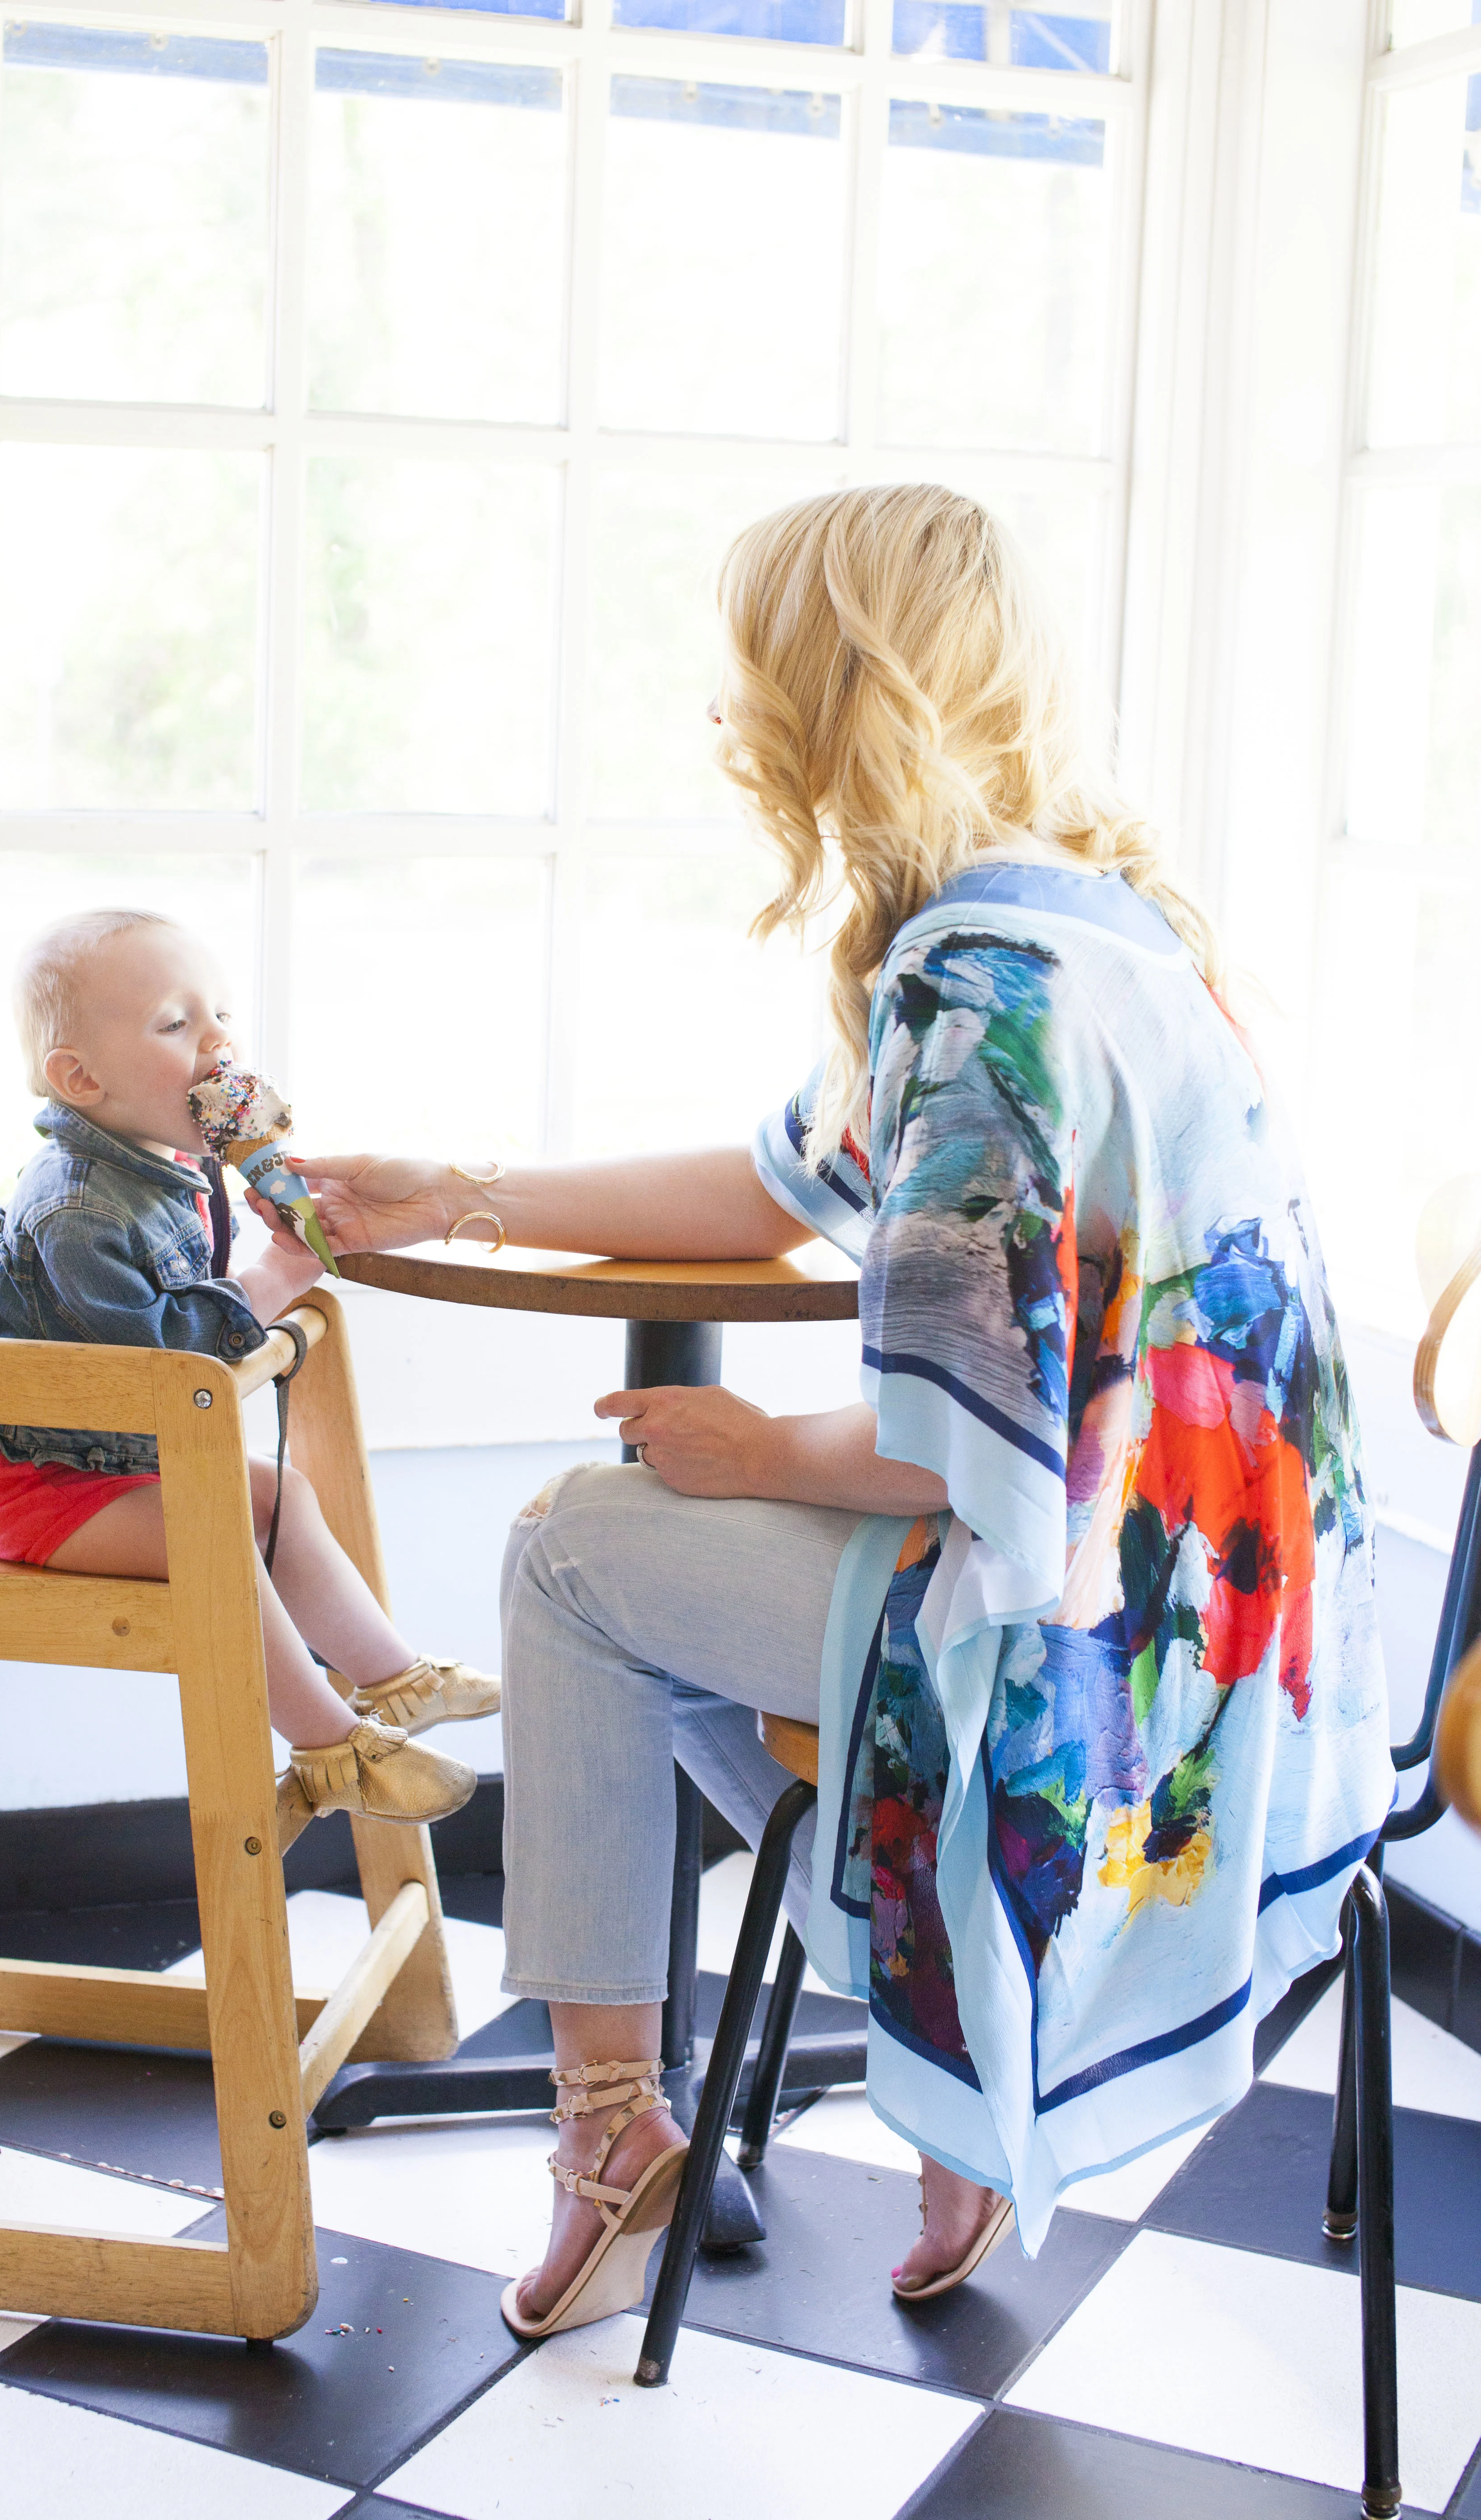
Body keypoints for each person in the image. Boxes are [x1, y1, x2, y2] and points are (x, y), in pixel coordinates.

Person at [283, 484, 1395, 2338]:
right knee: (644, 1586)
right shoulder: (1090, 926)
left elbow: (956, 1444)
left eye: (745, 679)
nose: (724, 722)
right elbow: (772, 1179)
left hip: (1101, 1660)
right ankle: (922, 2049)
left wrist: (755, 1454)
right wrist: (457, 1188)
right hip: (1248, 1644)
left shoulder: (981, 996)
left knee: (575, 1557)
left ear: (832, 692)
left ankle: (616, 2132)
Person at [0, 907, 498, 1842]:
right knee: (218, 1537)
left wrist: (274, 1215)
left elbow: (195, 1303)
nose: (219, 1043)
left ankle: (394, 1681)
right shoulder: (75, 1209)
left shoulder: (168, 1166)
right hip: (36, 1484)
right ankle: (329, 1749)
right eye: (175, 1023)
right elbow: (158, 1367)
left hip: (111, 1462)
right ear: (81, 1079)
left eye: (223, 1017)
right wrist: (276, 1280)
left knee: (282, 1499)